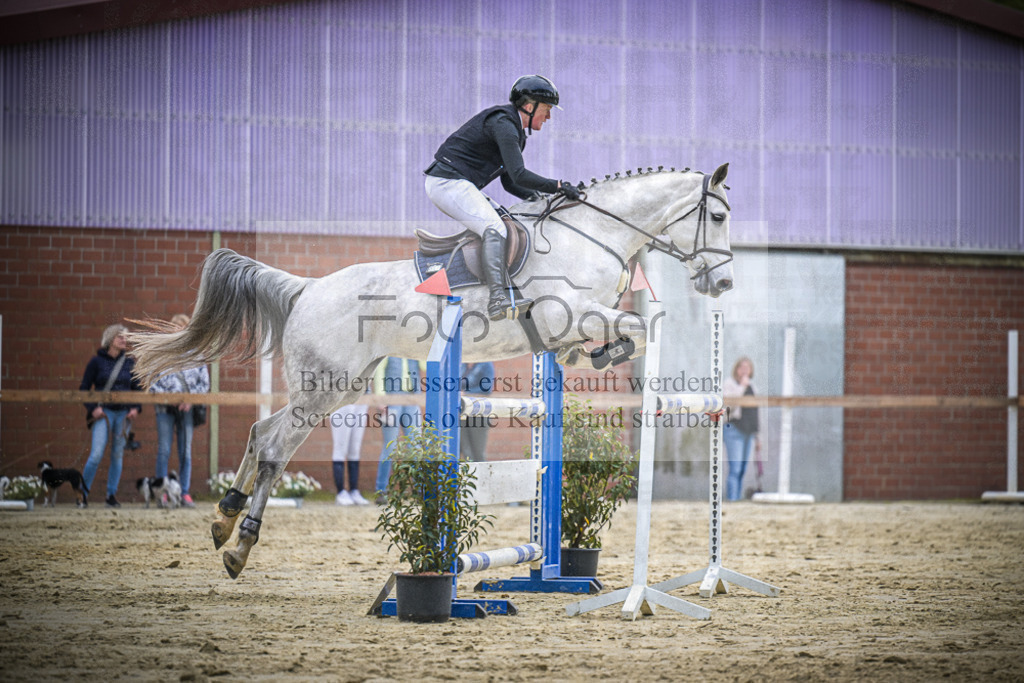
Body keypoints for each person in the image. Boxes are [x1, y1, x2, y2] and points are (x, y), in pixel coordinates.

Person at [424, 74, 581, 321]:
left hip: (459, 184)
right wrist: (558, 186)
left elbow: (510, 182)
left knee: (508, 223)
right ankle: (497, 299)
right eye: (547, 109)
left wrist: (540, 198)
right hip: (446, 182)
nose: (549, 117)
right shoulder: (504, 125)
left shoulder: (515, 131)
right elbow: (520, 174)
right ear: (529, 106)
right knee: (495, 228)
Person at [149, 314, 210, 508]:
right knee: (164, 450)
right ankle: (161, 493)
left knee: (186, 451)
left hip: (187, 409)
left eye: (182, 327)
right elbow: (151, 382)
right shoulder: (161, 353)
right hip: (165, 409)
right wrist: (170, 399)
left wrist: (190, 400)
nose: (178, 331)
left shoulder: (197, 354)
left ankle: (184, 492)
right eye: (175, 327)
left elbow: (204, 384)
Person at [80, 324, 143, 508]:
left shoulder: (129, 363)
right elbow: (84, 389)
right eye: (119, 337)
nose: (124, 340)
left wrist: (135, 408)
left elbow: (138, 389)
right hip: (103, 413)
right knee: (96, 454)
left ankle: (111, 495)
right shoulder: (96, 362)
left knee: (117, 455)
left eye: (125, 337)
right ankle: (82, 494)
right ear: (110, 339)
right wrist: (93, 408)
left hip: (123, 414)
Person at [373, 357, 422, 498]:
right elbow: (379, 370)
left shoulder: (413, 351)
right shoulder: (391, 349)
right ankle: (381, 490)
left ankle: (420, 489)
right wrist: (381, 398)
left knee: (415, 445)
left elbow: (425, 365)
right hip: (391, 401)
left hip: (412, 399)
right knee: (390, 446)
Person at [723, 356, 760, 502]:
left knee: (743, 469)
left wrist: (758, 437)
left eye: (747, 367)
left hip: (749, 431)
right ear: (736, 369)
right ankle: (732, 500)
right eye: (741, 367)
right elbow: (728, 406)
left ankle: (736, 499)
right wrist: (742, 387)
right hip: (734, 429)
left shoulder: (753, 387)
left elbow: (756, 413)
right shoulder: (729, 384)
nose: (744, 370)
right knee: (735, 468)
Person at [330, 403, 370, 506]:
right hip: (344, 401)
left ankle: (354, 490)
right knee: (340, 448)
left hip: (361, 401)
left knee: (355, 449)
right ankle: (340, 492)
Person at [460, 362, 495, 462]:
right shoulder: (463, 364)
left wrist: (466, 393)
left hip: (479, 413)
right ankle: (469, 472)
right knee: (467, 452)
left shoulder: (485, 364)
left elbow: (486, 389)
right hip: (463, 412)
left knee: (478, 452)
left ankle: (481, 472)